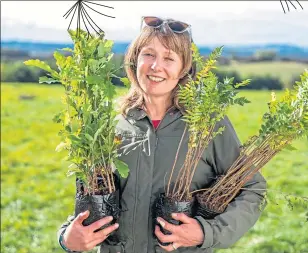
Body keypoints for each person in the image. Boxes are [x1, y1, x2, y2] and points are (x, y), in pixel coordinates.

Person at [57, 16, 267, 253]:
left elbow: (252, 189)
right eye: (148, 54)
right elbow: (92, 196)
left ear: (184, 69)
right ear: (134, 60)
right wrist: (66, 237)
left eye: (169, 58)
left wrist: (206, 232)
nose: (156, 66)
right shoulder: (109, 124)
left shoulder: (207, 124)